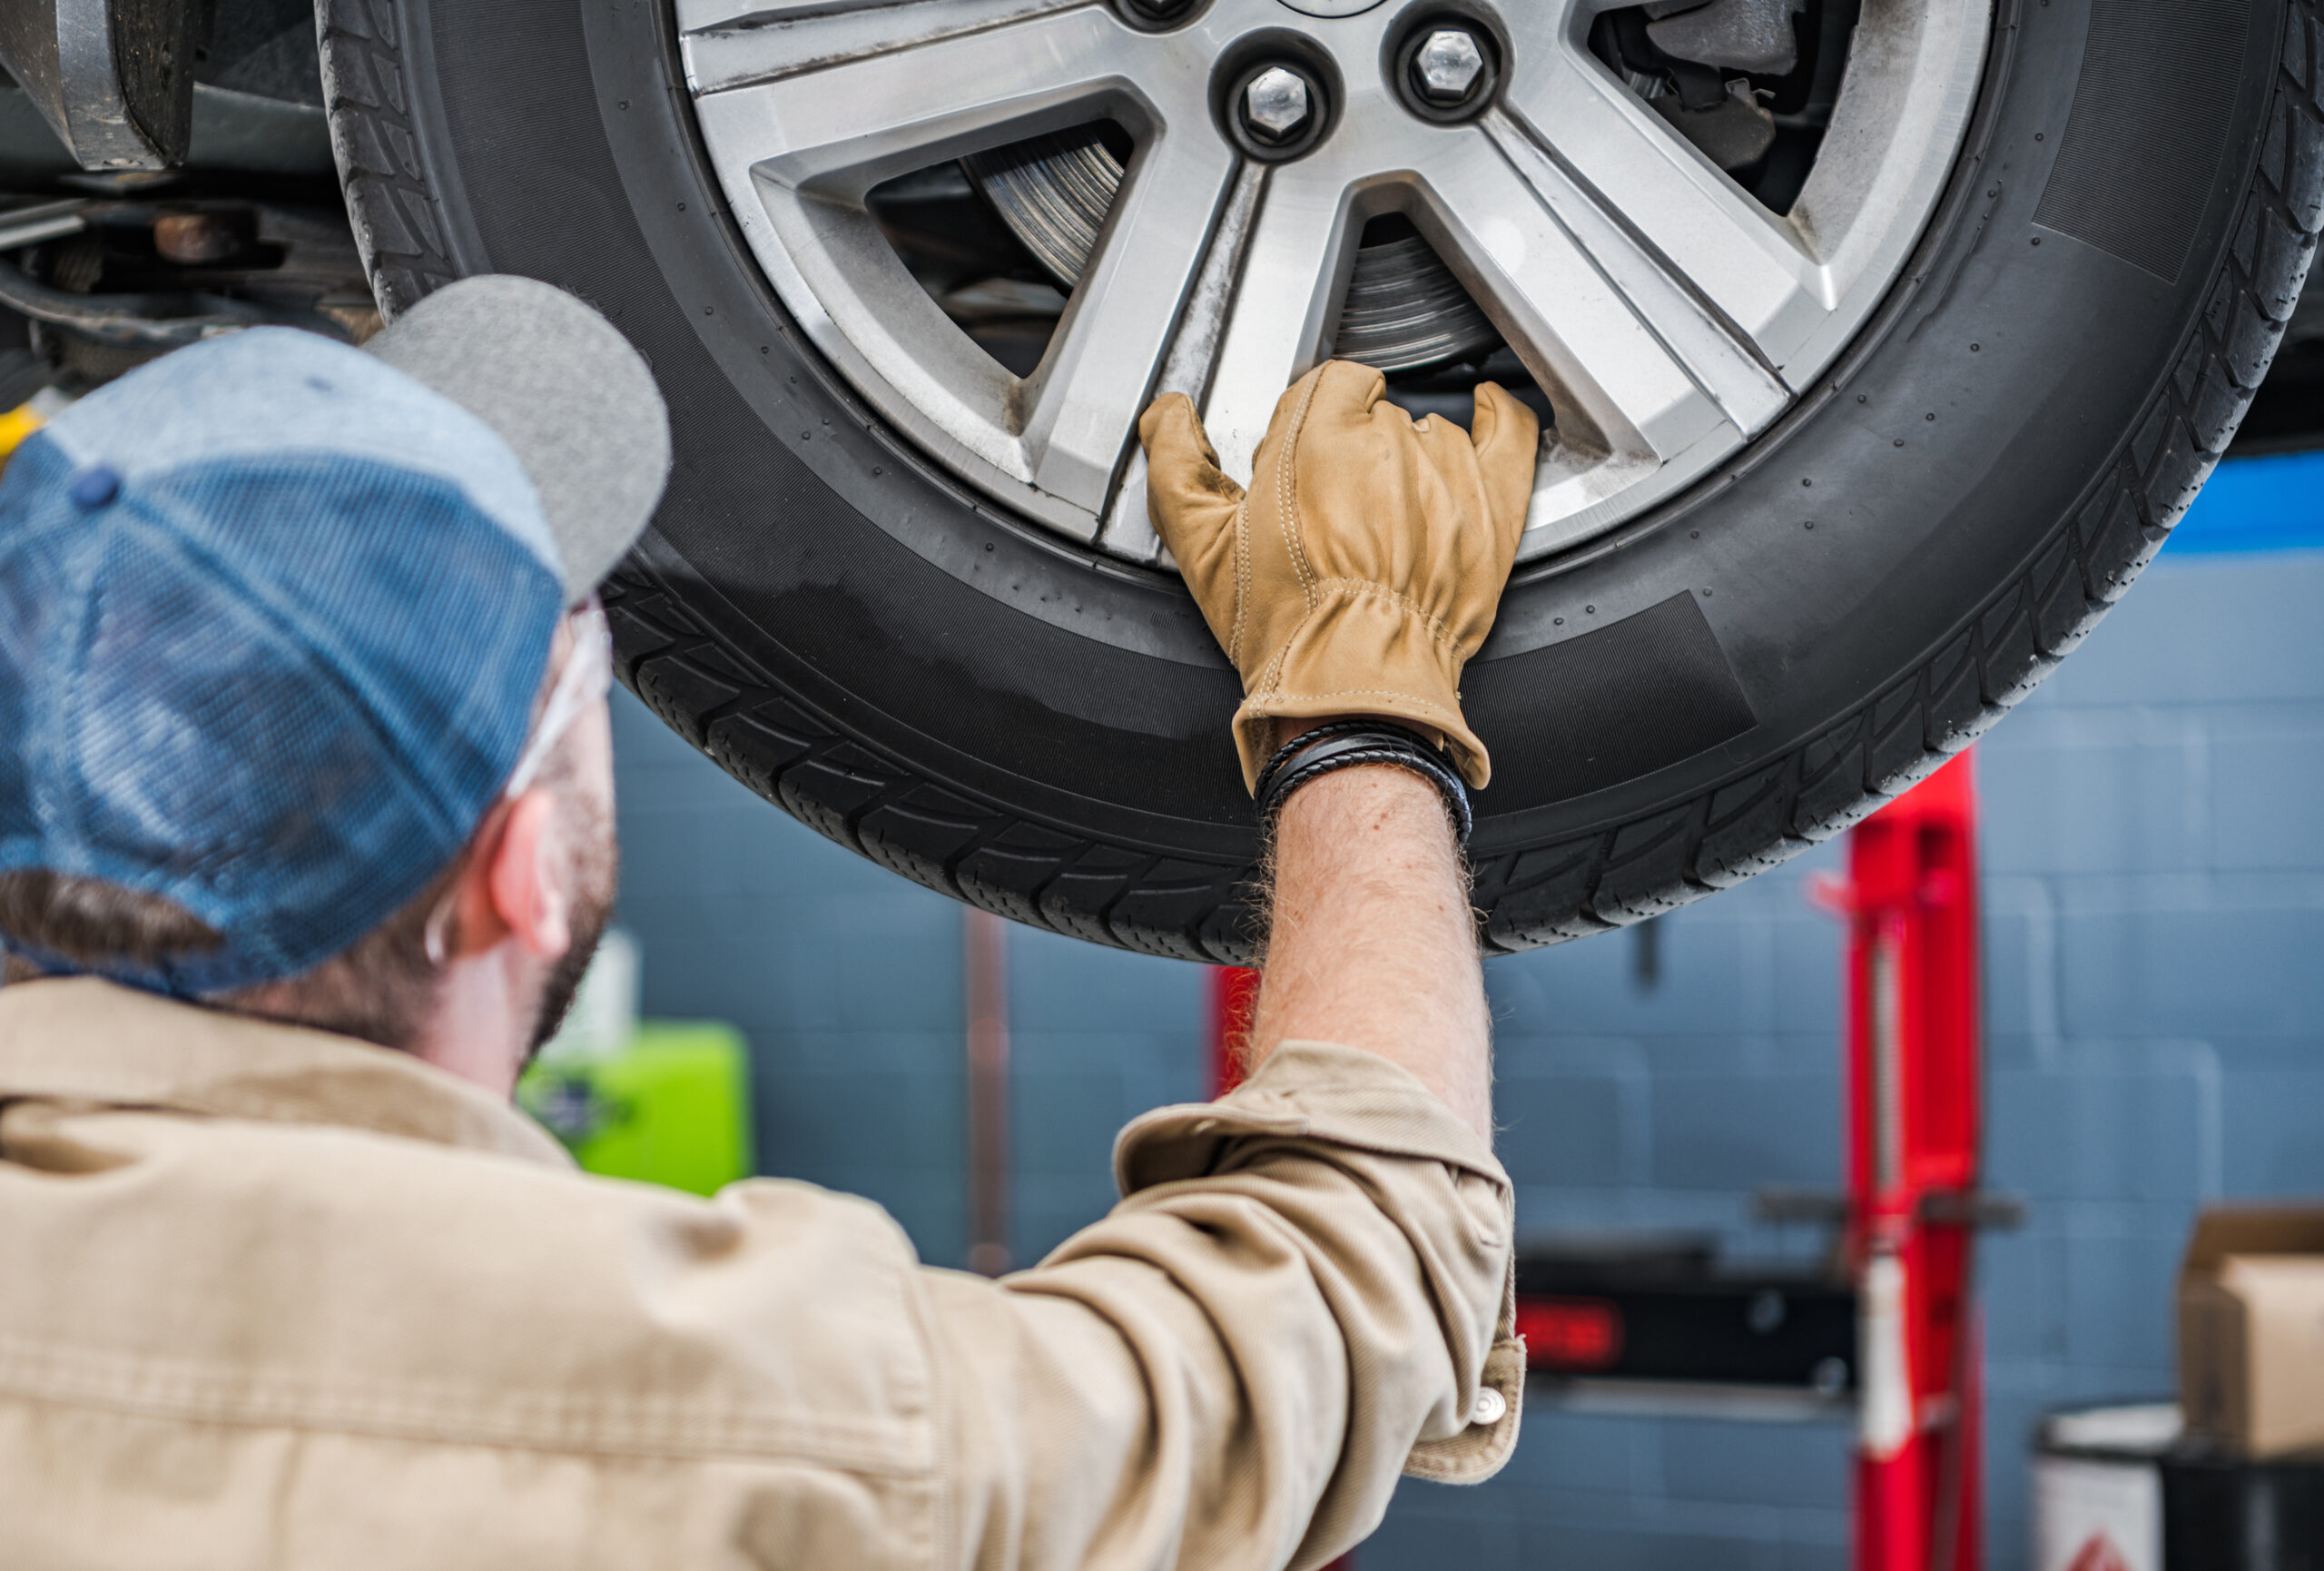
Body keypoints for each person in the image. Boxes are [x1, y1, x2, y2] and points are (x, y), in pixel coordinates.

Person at [0, 275, 1539, 1570]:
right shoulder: (738, 1425)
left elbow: (1346, 1272)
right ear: (526, 868)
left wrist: (1353, 722)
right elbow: (1329, 1306)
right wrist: (1363, 664)